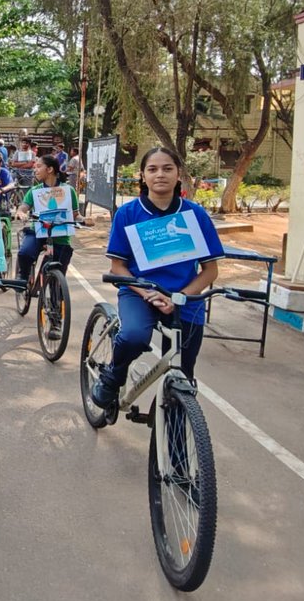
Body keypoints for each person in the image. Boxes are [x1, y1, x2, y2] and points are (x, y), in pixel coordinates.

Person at [91, 146, 225, 409]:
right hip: (139, 292)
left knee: (183, 370)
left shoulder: (195, 215)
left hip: (184, 297)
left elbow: (210, 271)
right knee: (133, 337)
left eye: (167, 168)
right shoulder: (128, 213)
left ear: (179, 174)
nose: (160, 174)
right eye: (152, 169)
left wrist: (179, 297)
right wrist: (147, 294)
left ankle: (171, 417)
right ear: (143, 176)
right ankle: (113, 376)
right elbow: (118, 267)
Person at [14, 155, 81, 323]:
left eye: (38, 166)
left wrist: (84, 219)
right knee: (25, 252)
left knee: (57, 282)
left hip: (60, 236)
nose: (35, 170)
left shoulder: (68, 191)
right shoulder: (35, 191)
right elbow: (23, 208)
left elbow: (75, 215)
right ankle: (23, 278)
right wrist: (21, 213)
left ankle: (56, 319)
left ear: (50, 169)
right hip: (38, 232)